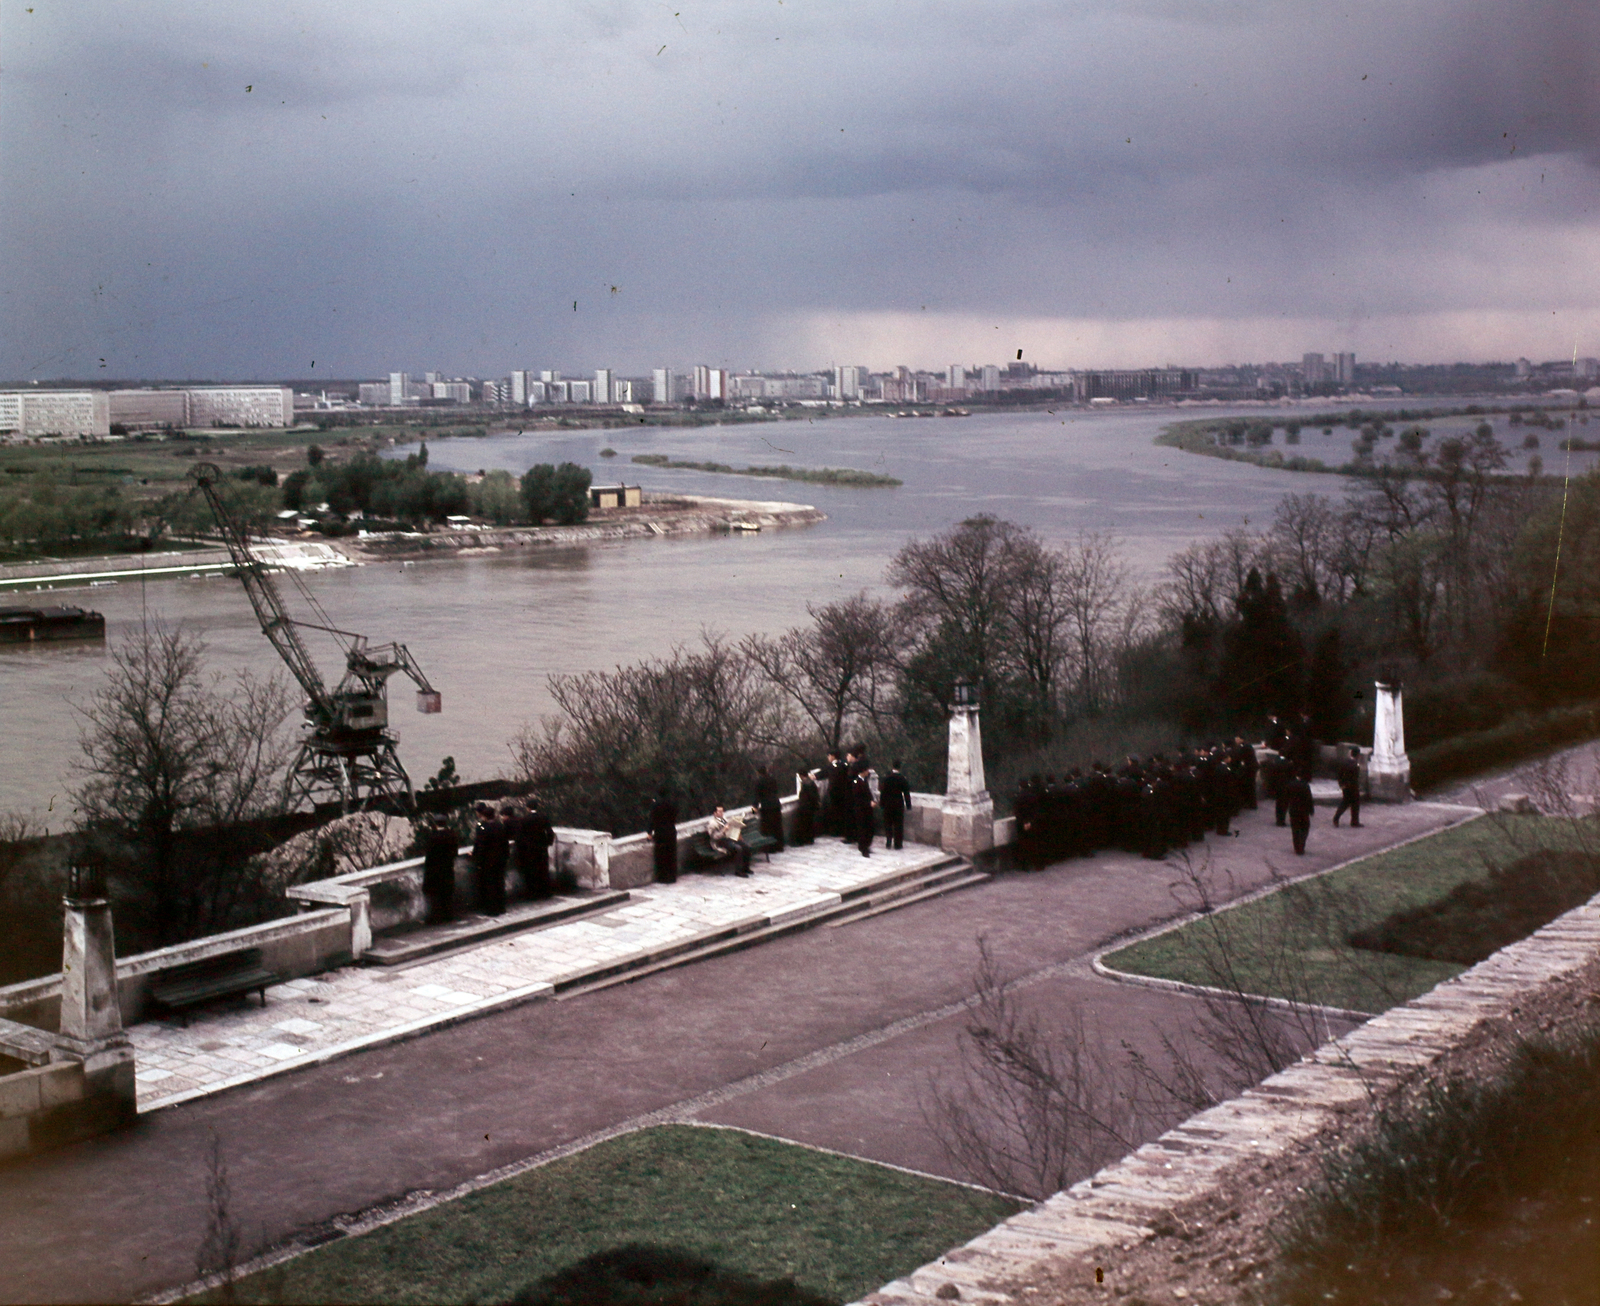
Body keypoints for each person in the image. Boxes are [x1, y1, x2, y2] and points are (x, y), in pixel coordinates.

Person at [471, 802, 509, 915]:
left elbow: (480, 846)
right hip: (500, 859)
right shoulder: (500, 826)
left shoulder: (483, 828)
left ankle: (492, 909)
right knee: (499, 883)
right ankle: (501, 907)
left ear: (485, 816)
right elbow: (505, 844)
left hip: (488, 861)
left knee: (490, 885)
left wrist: (477, 857)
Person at [514, 799, 556, 900]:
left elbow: (520, 836)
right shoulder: (543, 818)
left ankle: (534, 894)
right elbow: (550, 833)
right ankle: (545, 892)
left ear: (528, 808)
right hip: (541, 847)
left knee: (532, 871)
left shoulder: (524, 820)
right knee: (543, 869)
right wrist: (547, 843)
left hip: (530, 849)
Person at [420, 815, 458, 924]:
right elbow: (454, 853)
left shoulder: (433, 837)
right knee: (447, 893)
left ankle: (435, 918)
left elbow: (429, 855)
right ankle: (448, 916)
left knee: (435, 895)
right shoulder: (452, 835)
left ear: (435, 824)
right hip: (448, 868)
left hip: (435, 870)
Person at [706, 804, 752, 876]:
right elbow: (714, 837)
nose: (722, 813)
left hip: (730, 837)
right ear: (714, 813)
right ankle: (738, 871)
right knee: (738, 848)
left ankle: (746, 868)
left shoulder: (724, 818)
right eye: (719, 812)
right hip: (721, 841)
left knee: (747, 846)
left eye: (722, 811)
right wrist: (724, 830)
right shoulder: (712, 823)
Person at [880, 759, 912, 850]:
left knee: (888, 823)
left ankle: (889, 841)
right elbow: (906, 793)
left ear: (892, 766)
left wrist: (882, 803)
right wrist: (908, 805)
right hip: (898, 804)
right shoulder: (902, 778)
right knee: (898, 824)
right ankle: (898, 844)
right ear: (900, 767)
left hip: (888, 804)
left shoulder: (887, 778)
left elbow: (883, 792)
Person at [649, 788, 679, 883]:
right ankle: (672, 877)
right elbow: (675, 816)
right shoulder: (672, 804)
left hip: (660, 833)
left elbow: (652, 819)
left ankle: (663, 878)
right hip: (671, 831)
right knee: (671, 854)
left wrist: (649, 832)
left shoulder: (656, 805)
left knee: (661, 855)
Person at [754, 764, 785, 851]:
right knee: (777, 826)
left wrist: (754, 809)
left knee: (768, 828)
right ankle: (779, 846)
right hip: (776, 805)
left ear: (758, 773)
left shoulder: (759, 782)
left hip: (767, 807)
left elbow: (757, 797)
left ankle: (771, 848)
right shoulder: (772, 779)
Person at [851, 758, 878, 857]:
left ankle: (866, 845)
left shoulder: (864, 781)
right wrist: (868, 803)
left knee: (869, 829)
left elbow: (868, 794)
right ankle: (863, 848)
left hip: (867, 809)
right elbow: (858, 798)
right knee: (862, 829)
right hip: (861, 810)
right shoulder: (856, 782)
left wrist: (872, 801)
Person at [1285, 773, 1315, 856]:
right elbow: (1309, 798)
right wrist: (1311, 810)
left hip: (1293, 809)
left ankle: (1297, 847)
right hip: (1303, 810)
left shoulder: (1290, 784)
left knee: (1295, 829)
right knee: (1305, 827)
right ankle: (1302, 844)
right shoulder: (1305, 785)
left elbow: (1286, 797)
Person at [1333, 746, 1363, 828]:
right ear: (1358, 755)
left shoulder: (1344, 762)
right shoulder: (1355, 765)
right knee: (1354, 804)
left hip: (1345, 786)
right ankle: (1354, 821)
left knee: (1345, 803)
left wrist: (1341, 784)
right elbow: (1355, 778)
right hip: (1353, 787)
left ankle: (1337, 818)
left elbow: (1339, 774)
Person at [793, 770, 819, 846]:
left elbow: (806, 796)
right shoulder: (811, 782)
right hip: (811, 807)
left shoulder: (805, 784)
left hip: (805, 807)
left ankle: (802, 841)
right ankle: (809, 839)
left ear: (801, 776)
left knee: (803, 824)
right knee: (809, 824)